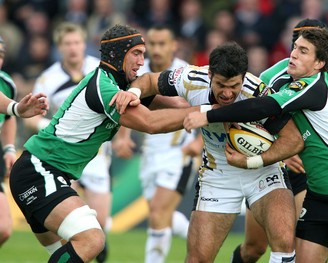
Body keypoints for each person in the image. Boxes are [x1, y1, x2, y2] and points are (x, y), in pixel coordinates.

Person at [184, 28, 328, 263]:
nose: (294, 54)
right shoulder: (281, 81)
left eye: (303, 51)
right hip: (319, 199)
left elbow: (261, 107)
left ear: (319, 63)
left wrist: (207, 116)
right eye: (295, 48)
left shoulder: (312, 87)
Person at [8, 24, 199, 262]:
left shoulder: (119, 86)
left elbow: (175, 105)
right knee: (93, 240)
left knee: (74, 251)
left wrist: (209, 104)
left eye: (143, 54)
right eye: (136, 53)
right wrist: (206, 113)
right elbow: (151, 123)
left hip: (41, 172)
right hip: (40, 171)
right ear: (118, 54)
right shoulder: (104, 88)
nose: (142, 61)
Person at [117, 42, 304, 262]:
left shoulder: (257, 91)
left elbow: (293, 139)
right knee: (198, 259)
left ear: (244, 77)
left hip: (262, 170)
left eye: (234, 85)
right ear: (209, 74)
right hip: (218, 174)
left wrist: (252, 161)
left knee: (282, 245)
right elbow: (148, 80)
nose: (227, 93)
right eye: (220, 84)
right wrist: (134, 92)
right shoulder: (191, 79)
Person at [231, 18, 328, 263]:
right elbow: (256, 123)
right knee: (254, 248)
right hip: (271, 166)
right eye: (302, 43)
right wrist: (284, 150)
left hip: (304, 174)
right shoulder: (271, 77)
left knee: (294, 248)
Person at [22, 22, 113, 262]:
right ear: (60, 47)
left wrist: (122, 138)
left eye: (77, 42)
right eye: (67, 43)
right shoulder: (47, 78)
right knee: (76, 229)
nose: (73, 48)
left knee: (100, 223)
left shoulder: (100, 71)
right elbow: (32, 119)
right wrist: (54, 129)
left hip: (96, 155)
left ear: (84, 44)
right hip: (60, 155)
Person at [134, 25, 203, 263]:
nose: (155, 49)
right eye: (151, 44)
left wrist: (201, 142)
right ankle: (200, 238)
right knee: (162, 214)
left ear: (174, 45)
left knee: (158, 214)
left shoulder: (187, 74)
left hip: (178, 154)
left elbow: (209, 108)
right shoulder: (139, 73)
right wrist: (122, 138)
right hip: (149, 154)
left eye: (161, 43)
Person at [0, 35, 49, 248]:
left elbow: (7, 117)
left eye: (0, 55)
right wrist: (17, 108)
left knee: (3, 228)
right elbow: (10, 109)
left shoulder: (6, 83)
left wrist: (9, 148)